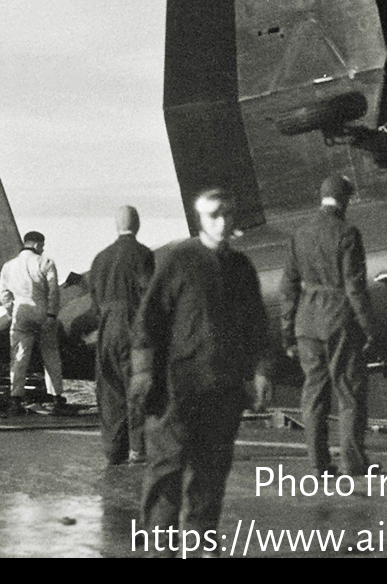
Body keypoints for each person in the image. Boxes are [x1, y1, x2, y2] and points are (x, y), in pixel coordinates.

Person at [132, 188, 272, 542]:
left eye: (227, 214)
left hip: (222, 390)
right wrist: (144, 373)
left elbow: (257, 326)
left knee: (212, 473)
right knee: (167, 473)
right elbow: (148, 321)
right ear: (200, 220)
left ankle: (200, 543)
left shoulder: (241, 268)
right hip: (177, 389)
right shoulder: (179, 261)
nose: (222, 223)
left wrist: (261, 372)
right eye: (214, 215)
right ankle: (159, 548)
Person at [280, 175, 376, 478]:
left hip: (306, 323)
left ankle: (318, 464)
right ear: (344, 199)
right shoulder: (348, 233)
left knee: (314, 394)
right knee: (349, 392)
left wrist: (287, 332)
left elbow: (288, 287)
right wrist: (370, 326)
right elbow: (354, 287)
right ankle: (352, 462)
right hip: (338, 320)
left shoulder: (300, 234)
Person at [90, 208, 154, 465]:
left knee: (110, 389)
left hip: (106, 329)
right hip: (132, 326)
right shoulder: (142, 254)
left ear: (116, 225)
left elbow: (94, 302)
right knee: (136, 386)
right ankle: (138, 448)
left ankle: (113, 450)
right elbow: (148, 294)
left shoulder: (100, 258)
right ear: (137, 224)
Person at [0, 230, 65, 415]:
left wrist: (12, 312)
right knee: (51, 356)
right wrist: (51, 315)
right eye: (42, 246)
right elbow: (53, 291)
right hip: (42, 311)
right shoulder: (46, 262)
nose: (42, 249)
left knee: (19, 358)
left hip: (21, 311)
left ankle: (15, 398)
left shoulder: (8, 266)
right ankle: (57, 398)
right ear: (37, 245)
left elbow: (4, 294)